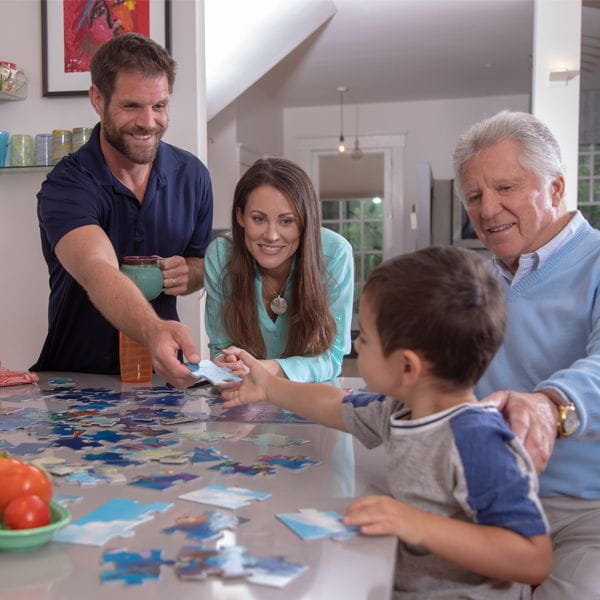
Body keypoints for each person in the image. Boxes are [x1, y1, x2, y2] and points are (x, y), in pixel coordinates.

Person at [220, 246, 552, 598]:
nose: (356, 346)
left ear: (407, 367)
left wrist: (415, 524)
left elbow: (533, 558)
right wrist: (269, 386)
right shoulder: (399, 409)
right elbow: (335, 404)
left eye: (365, 338)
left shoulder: (478, 442)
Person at [453, 110, 600, 599]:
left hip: (588, 510)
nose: (488, 209)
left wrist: (548, 404)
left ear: (555, 188)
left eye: (507, 188)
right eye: (474, 196)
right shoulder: (477, 279)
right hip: (492, 498)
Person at [33, 33, 212, 388]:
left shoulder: (193, 175)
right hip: (75, 381)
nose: (149, 122)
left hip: (164, 378)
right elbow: (97, 269)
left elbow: (201, 263)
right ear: (98, 99)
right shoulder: (67, 184)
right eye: (132, 106)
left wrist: (189, 273)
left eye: (159, 105)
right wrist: (153, 329)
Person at [203, 157, 353, 382]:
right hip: (246, 397)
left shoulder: (335, 253)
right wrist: (227, 364)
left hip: (312, 399)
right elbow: (222, 347)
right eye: (258, 219)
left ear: (305, 222)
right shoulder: (220, 255)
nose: (271, 235)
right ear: (240, 217)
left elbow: (332, 357)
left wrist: (265, 369)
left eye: (286, 221)